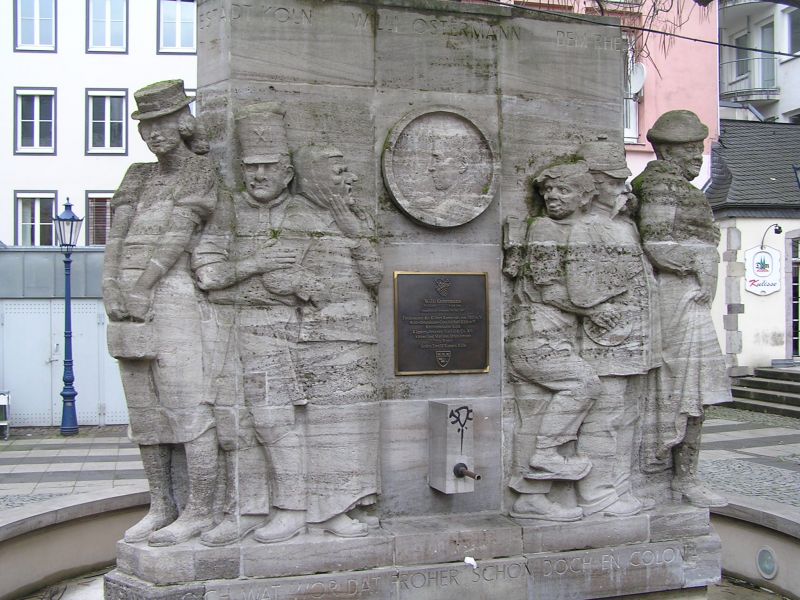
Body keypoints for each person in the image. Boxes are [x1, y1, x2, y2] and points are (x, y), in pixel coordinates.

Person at [102, 80, 218, 546]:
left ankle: (200, 509)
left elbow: (179, 232)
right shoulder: (137, 175)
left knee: (186, 403)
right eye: (146, 125)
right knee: (144, 410)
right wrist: (110, 284)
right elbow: (116, 234)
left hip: (171, 294)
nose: (153, 134)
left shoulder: (199, 171)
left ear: (183, 122)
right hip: (126, 298)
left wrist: (143, 286)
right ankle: (161, 505)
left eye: (162, 122)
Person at [192, 103, 307, 545]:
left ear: (287, 171)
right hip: (226, 336)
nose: (257, 175)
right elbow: (209, 275)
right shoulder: (228, 211)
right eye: (250, 166)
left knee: (274, 424)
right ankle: (245, 510)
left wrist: (240, 282)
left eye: (268, 166)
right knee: (232, 426)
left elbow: (298, 287)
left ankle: (292, 510)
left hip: (279, 336)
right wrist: (257, 264)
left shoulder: (304, 215)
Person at [274, 143, 383, 537]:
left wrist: (356, 235)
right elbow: (276, 274)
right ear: (315, 177)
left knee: (357, 427)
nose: (349, 178)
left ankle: (353, 502)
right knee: (329, 427)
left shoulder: (357, 217)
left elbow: (375, 277)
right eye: (339, 172)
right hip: (321, 339)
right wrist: (304, 284)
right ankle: (328, 511)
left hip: (361, 334)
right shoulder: (298, 215)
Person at [633, 110, 729, 507]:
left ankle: (683, 475)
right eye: (691, 149)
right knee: (683, 389)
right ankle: (675, 475)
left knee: (694, 390)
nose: (697, 156)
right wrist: (700, 262)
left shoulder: (675, 185)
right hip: (678, 296)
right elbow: (656, 244)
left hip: (689, 295)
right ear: (669, 150)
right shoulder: (660, 185)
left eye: (698, 148)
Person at [504, 161, 601, 521]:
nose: (553, 196)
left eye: (564, 190)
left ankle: (530, 497)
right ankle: (546, 453)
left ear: (585, 196)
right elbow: (547, 289)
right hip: (536, 333)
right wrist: (595, 310)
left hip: (549, 333)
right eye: (548, 190)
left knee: (532, 416)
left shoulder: (577, 229)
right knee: (584, 384)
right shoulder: (544, 228)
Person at [568, 139, 660, 517]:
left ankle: (621, 487)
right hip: (607, 338)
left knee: (629, 415)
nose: (622, 188)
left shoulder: (624, 226)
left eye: (622, 181)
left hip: (637, 336)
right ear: (594, 184)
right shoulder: (586, 227)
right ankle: (596, 493)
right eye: (613, 182)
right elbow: (581, 288)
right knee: (604, 416)